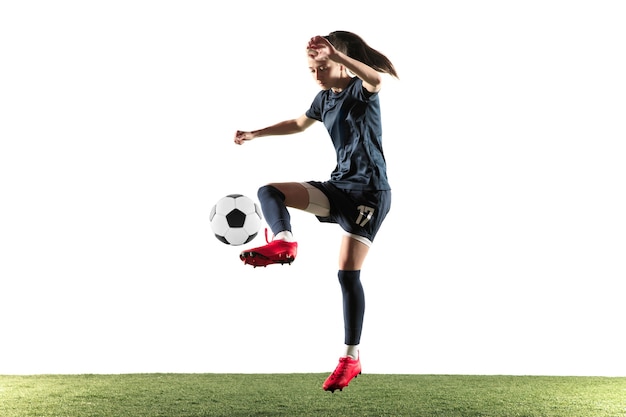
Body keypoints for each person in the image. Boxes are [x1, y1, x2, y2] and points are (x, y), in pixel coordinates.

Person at [233, 31, 398, 392]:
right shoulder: (324, 100)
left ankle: (350, 358)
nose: (317, 74)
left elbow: (377, 79)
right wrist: (255, 133)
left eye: (322, 66)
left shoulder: (360, 90)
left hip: (368, 194)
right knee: (269, 191)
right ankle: (284, 241)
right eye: (311, 69)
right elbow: (298, 123)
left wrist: (339, 53)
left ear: (340, 61)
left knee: (347, 276)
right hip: (338, 187)